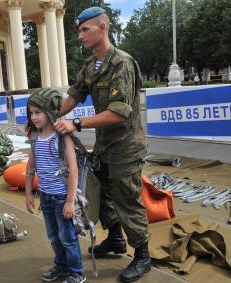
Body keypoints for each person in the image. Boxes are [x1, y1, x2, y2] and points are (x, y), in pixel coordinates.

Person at [54, 7, 151, 282]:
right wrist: (50, 118)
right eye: (79, 30)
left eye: (85, 29)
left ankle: (143, 255)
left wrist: (77, 124)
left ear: (103, 28)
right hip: (105, 147)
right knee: (103, 194)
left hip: (126, 148)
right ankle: (116, 240)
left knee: (127, 200)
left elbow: (120, 112)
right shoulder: (91, 66)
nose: (80, 35)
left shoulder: (121, 63)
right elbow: (74, 96)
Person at [25, 88, 86, 283]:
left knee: (67, 237)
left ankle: (76, 272)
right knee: (53, 236)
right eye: (31, 113)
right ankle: (61, 266)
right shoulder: (35, 137)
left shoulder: (61, 137)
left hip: (61, 198)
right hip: (45, 196)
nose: (33, 117)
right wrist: (28, 195)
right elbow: (30, 167)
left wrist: (69, 202)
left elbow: (73, 170)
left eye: (37, 112)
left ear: (49, 112)